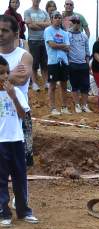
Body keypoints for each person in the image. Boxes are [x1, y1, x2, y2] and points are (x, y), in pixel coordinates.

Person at [0, 55, 38, 227]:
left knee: (20, 177)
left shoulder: (16, 92)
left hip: (16, 140)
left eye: (7, 72)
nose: (5, 76)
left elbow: (22, 115)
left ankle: (24, 211)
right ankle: (4, 213)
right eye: (1, 73)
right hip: (1, 142)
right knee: (1, 179)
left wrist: (13, 96)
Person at [0, 13, 32, 167]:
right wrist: (12, 73)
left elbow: (21, 79)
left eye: (5, 30)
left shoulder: (24, 56)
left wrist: (4, 76)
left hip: (19, 112)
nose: (0, 34)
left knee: (21, 163)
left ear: (15, 33)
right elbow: (15, 78)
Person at [43, 11, 68, 114]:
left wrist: (58, 45)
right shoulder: (48, 30)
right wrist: (62, 45)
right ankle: (53, 108)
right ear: (51, 19)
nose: (58, 19)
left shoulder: (64, 33)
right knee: (52, 86)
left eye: (59, 17)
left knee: (64, 85)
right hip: (53, 62)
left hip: (64, 62)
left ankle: (64, 107)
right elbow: (51, 45)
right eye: (55, 17)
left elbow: (68, 48)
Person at [23, 0, 48, 91]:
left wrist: (34, 23)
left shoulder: (44, 12)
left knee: (44, 63)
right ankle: (34, 83)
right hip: (33, 40)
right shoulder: (27, 11)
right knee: (34, 63)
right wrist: (42, 26)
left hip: (44, 40)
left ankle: (46, 82)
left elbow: (49, 24)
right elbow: (30, 26)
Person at [66, 14, 88, 112]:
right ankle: (77, 105)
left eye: (78, 22)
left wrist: (87, 63)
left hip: (83, 64)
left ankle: (84, 105)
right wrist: (68, 62)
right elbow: (66, 49)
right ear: (71, 23)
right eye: (74, 22)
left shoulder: (84, 35)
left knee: (85, 85)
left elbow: (87, 50)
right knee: (74, 85)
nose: (76, 24)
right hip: (72, 63)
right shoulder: (67, 35)